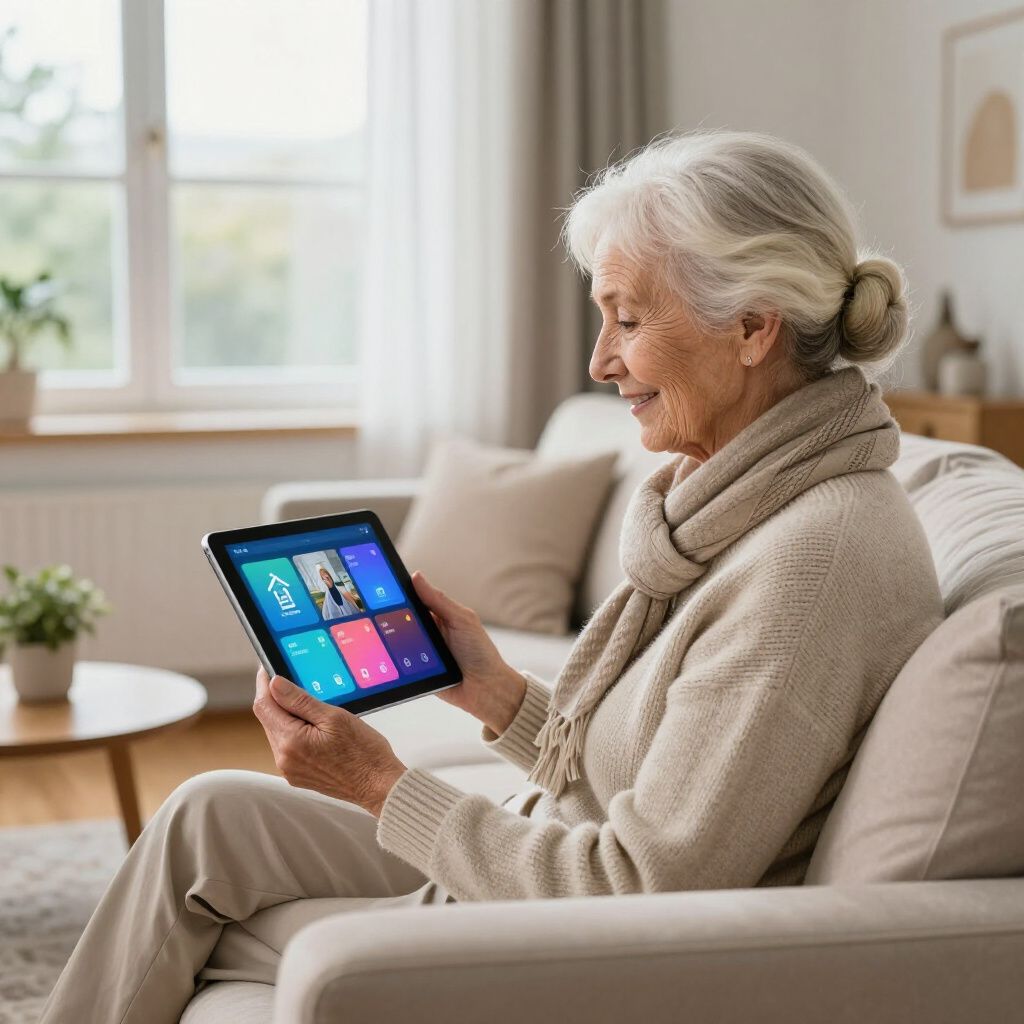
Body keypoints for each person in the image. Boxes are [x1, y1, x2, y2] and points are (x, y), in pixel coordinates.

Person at [41, 129, 945, 1024]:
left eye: (629, 320)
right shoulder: (738, 505)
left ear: (751, 329)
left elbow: (641, 889)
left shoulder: (810, 564)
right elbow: (645, 770)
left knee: (211, 921)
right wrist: (498, 694)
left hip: (560, 937)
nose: (600, 361)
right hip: (541, 852)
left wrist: (378, 784)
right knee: (207, 814)